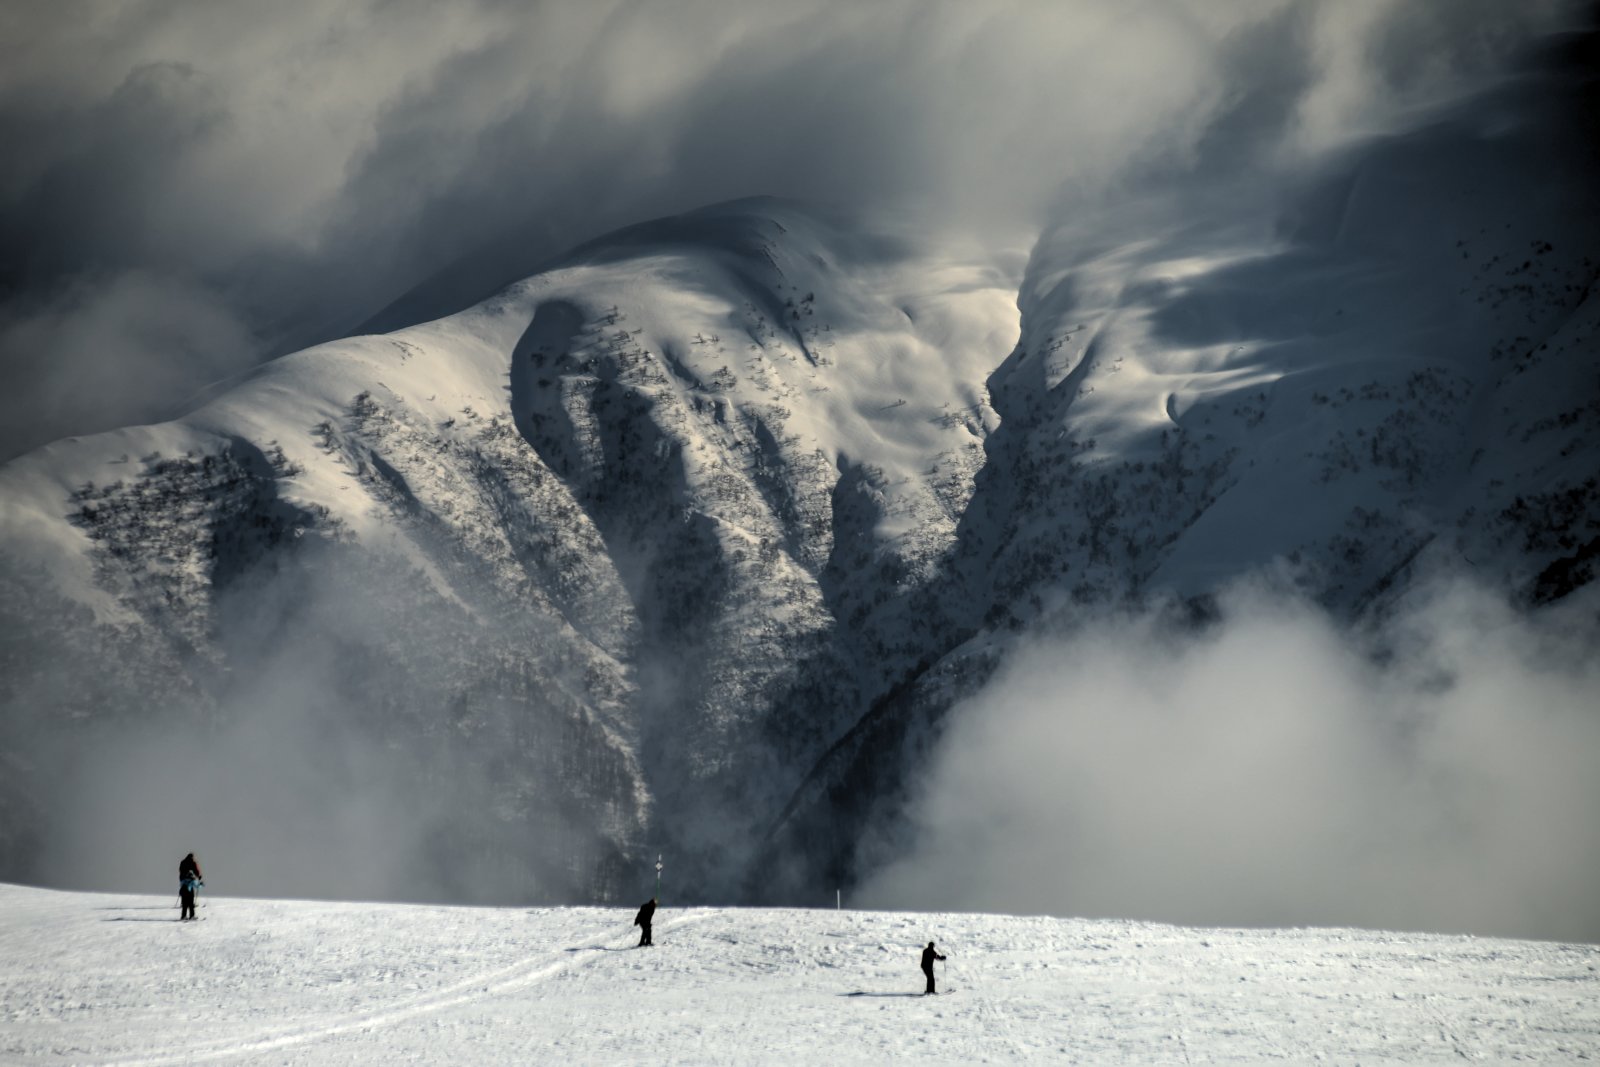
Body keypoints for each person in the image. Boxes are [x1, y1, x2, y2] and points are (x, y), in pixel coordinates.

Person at [178, 852, 203, 921]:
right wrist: (199, 878)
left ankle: (183, 916)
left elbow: (180, 870)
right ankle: (191, 916)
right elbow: (196, 870)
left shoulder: (183, 862)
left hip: (183, 882)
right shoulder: (193, 862)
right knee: (191, 902)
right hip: (189, 886)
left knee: (185, 902)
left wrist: (182, 878)